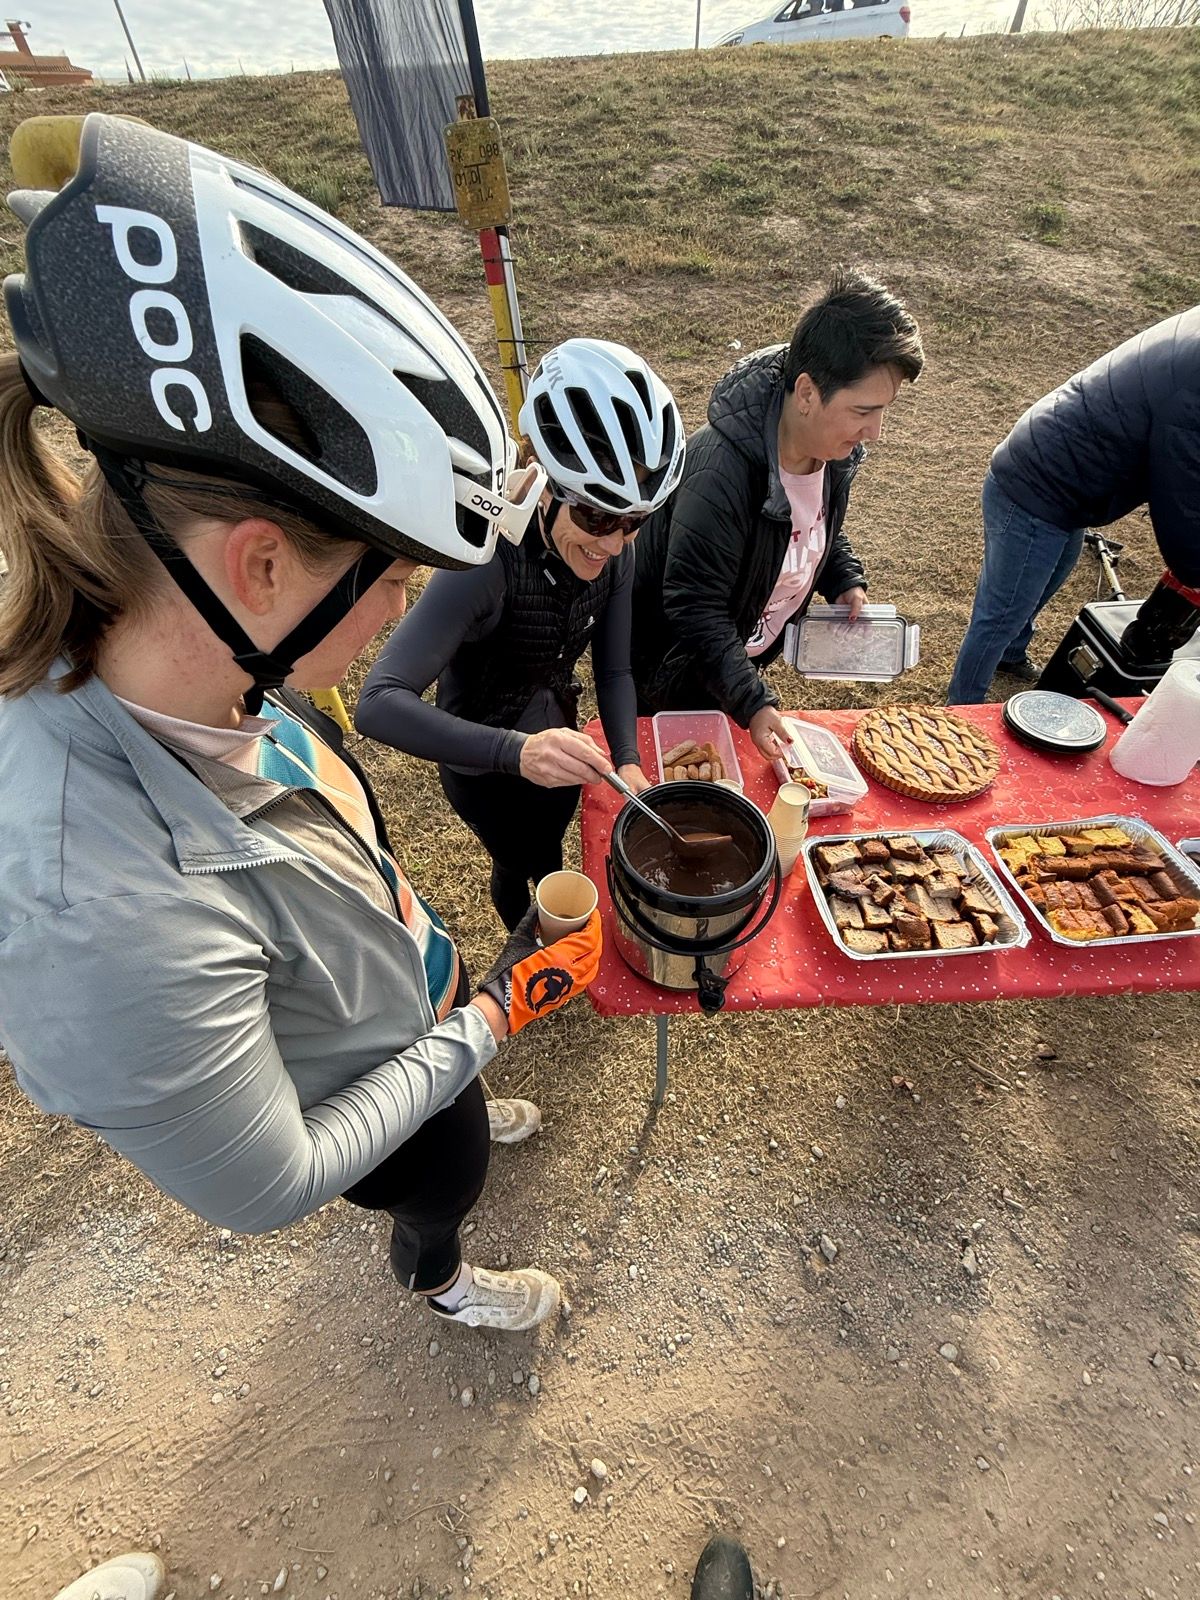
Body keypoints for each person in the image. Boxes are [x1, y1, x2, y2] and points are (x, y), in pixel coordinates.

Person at [0, 113, 603, 1334]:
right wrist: (491, 1017)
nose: (402, 612)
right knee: (438, 1182)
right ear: (262, 564)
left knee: (455, 1116)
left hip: (405, 1016)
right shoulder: (96, 918)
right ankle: (443, 1282)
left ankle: (458, 1096)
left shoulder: (203, 651)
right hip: (383, 1092)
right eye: (395, 580)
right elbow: (271, 1181)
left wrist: (456, 1027)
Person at [356, 338, 684, 930]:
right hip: (483, 769)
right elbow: (377, 703)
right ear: (544, 485)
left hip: (556, 740)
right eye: (597, 516)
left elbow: (613, 670)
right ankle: (523, 935)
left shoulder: (614, 553)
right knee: (515, 862)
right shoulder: (485, 566)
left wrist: (628, 760)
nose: (613, 544)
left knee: (550, 849)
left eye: (635, 521)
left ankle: (545, 907)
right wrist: (518, 751)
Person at [630, 268, 924, 760]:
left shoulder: (831, 454)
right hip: (674, 669)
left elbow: (812, 526)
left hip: (731, 661)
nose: (875, 431)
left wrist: (842, 576)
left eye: (883, 411)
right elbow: (695, 608)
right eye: (863, 411)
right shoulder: (720, 474)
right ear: (806, 393)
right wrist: (752, 701)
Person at [947, 304, 1200, 704]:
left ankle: (1010, 656)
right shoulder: (1194, 383)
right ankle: (962, 708)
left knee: (1043, 583)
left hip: (1068, 485)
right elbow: (1183, 489)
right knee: (1002, 614)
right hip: (1039, 484)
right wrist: (1194, 567)